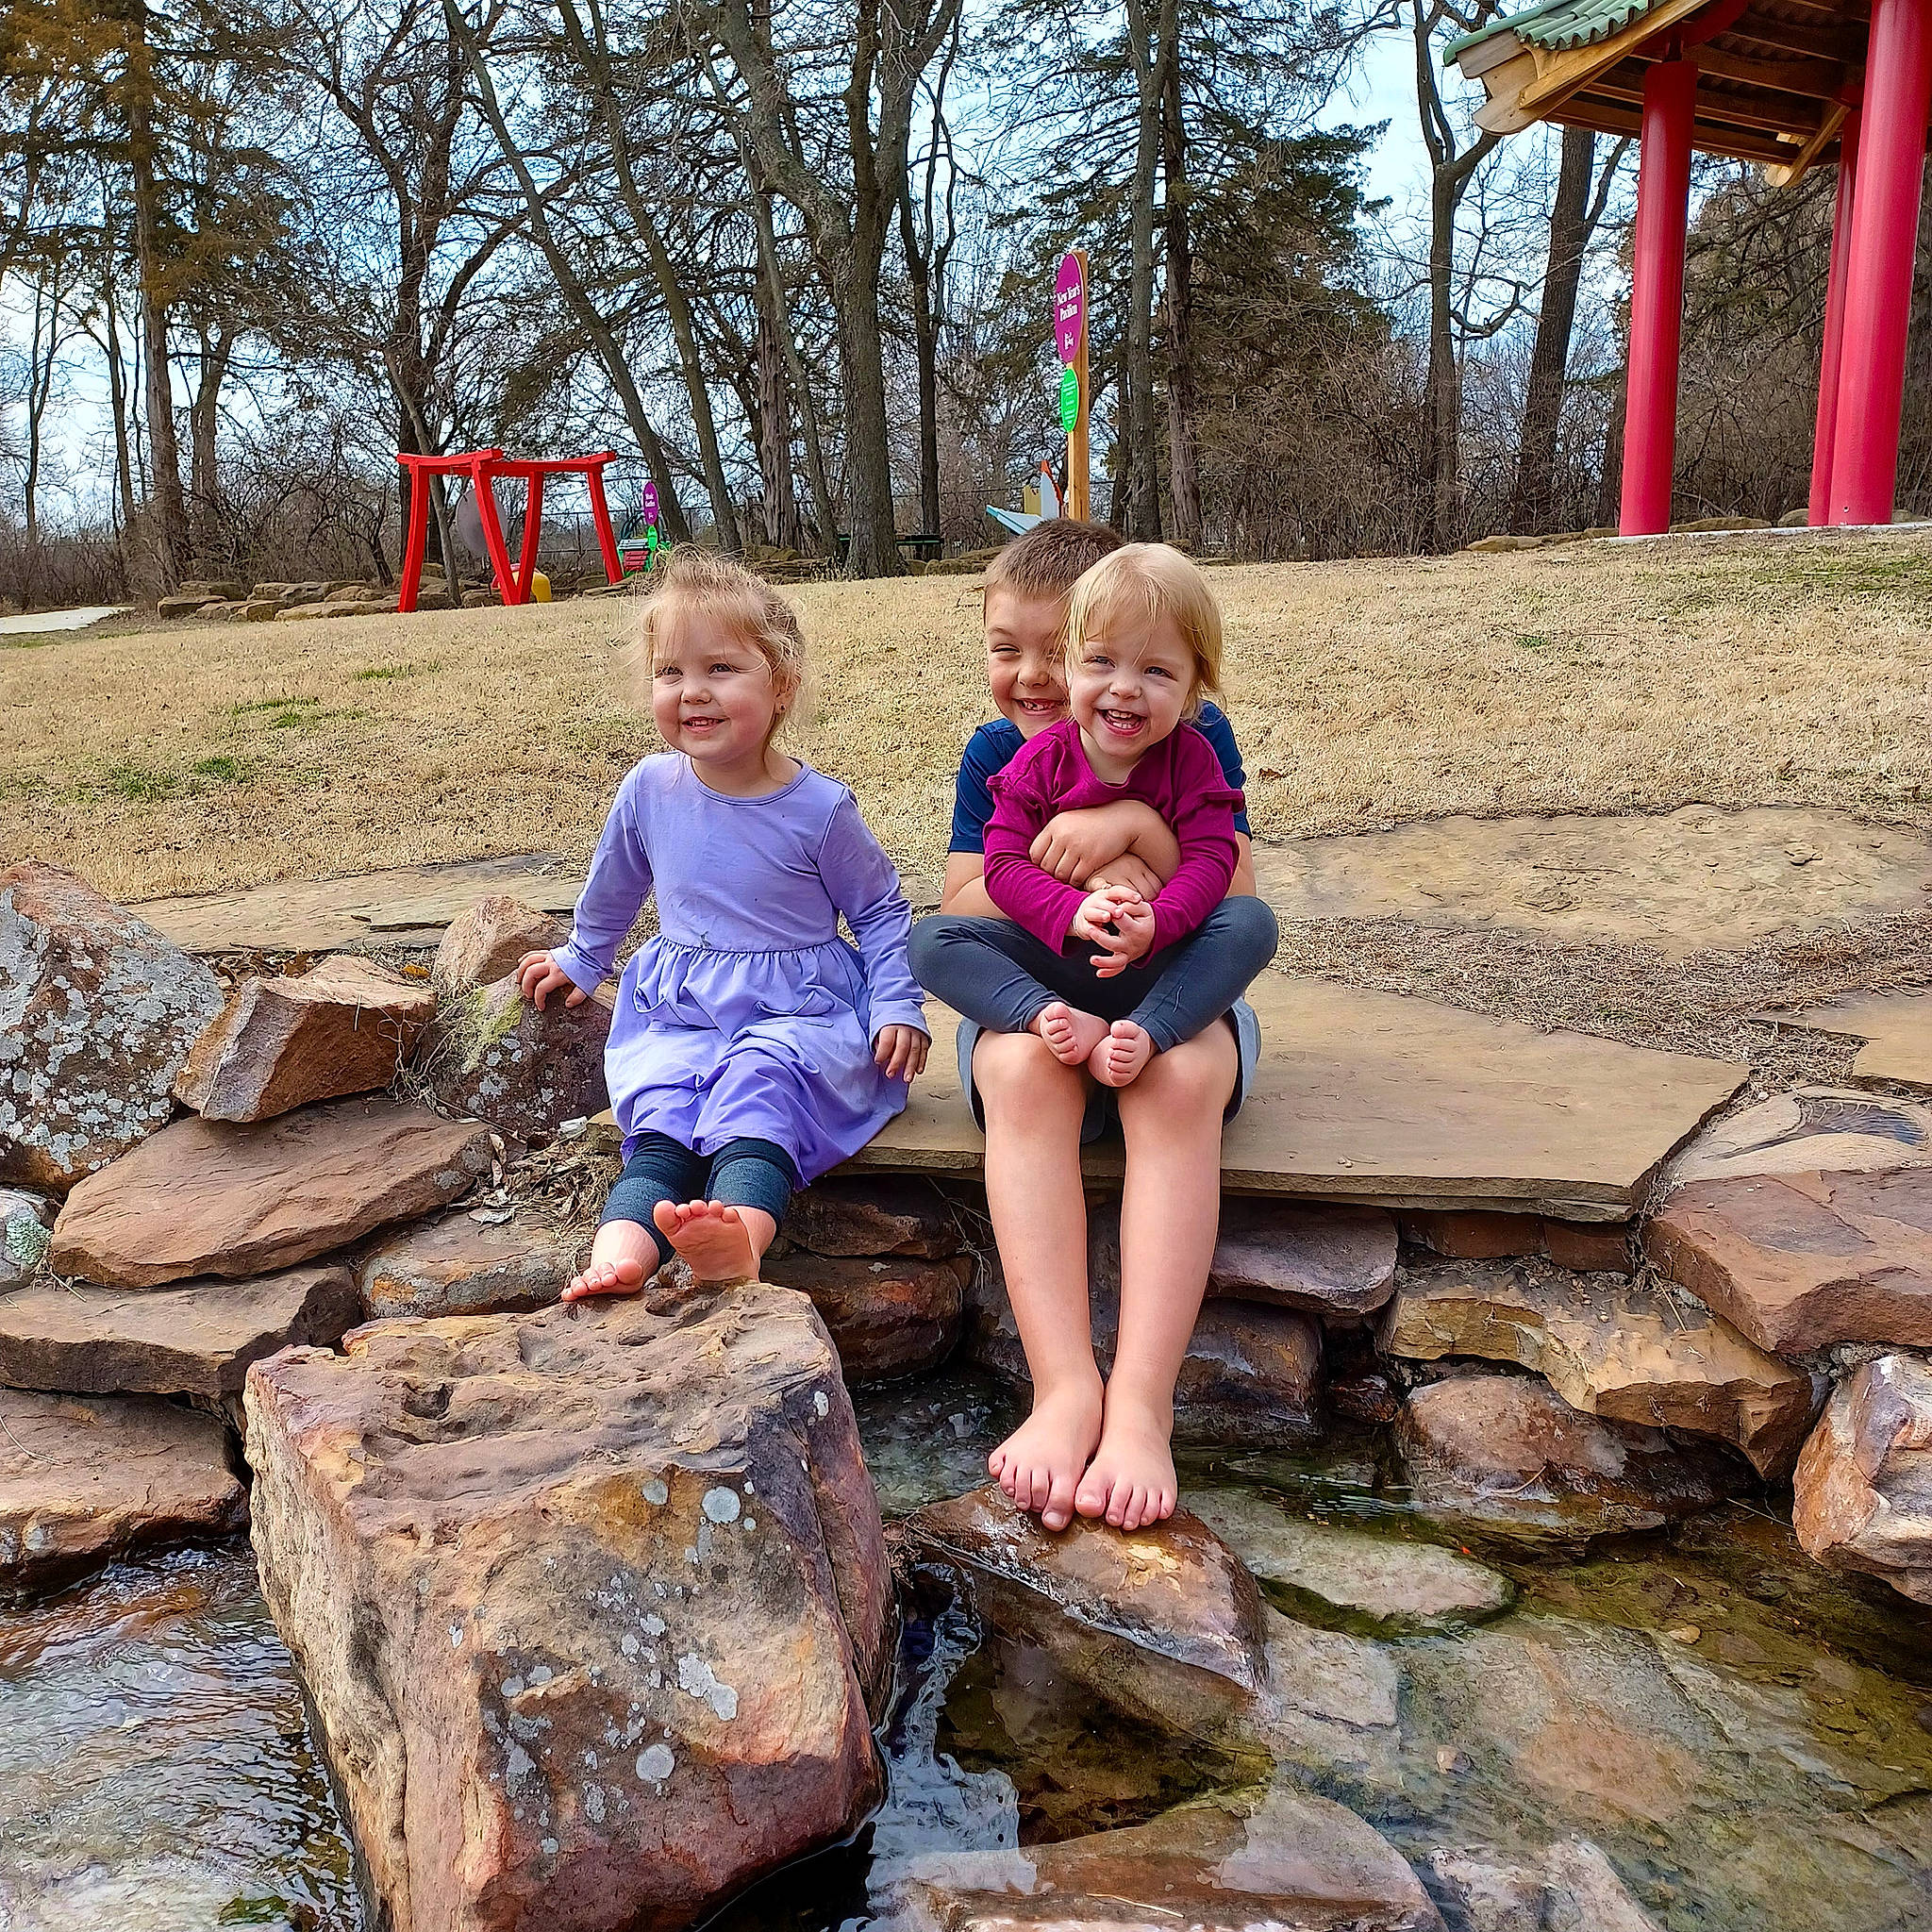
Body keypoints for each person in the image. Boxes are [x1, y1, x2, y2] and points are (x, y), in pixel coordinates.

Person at [910, 541, 1277, 1537]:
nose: (1032, 677)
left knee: (1179, 1075)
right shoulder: (1001, 755)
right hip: (1046, 988)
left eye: (1050, 647)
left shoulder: (1196, 738)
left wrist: (1131, 829)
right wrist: (1070, 883)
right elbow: (963, 900)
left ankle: (1141, 1404)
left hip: (1170, 986)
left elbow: (1230, 889)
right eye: (1009, 649)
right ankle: (1065, 1385)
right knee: (1014, 1058)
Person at [518, 546, 929, 1298]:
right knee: (663, 1118)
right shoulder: (649, 788)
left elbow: (878, 912)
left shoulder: (819, 809)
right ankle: (622, 1256)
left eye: (720, 669)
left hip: (798, 1011)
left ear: (782, 686)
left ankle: (738, 1240)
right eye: (670, 672)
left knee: (760, 1091)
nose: (692, 693)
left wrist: (897, 1004)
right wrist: (583, 956)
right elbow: (615, 886)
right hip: (683, 1009)